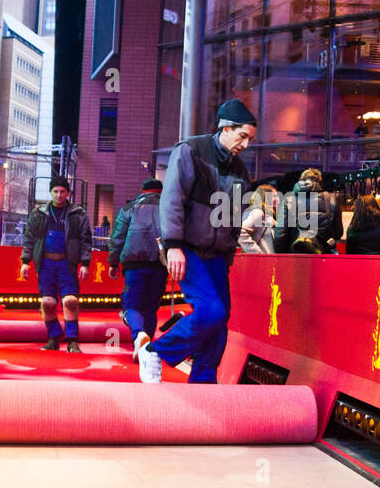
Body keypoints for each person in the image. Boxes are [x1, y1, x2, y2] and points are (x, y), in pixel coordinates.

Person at [135, 99, 256, 383]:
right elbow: (172, 198)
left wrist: (227, 254)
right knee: (211, 311)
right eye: (242, 137)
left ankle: (204, 381)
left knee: (220, 321)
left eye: (250, 139)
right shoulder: (190, 150)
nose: (246, 145)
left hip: (217, 255)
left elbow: (234, 216)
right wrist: (173, 245)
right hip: (186, 249)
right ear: (226, 128)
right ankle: (155, 350)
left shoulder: (240, 171)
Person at [20, 176, 93, 352]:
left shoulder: (78, 214)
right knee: (47, 303)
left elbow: (85, 240)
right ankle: (53, 338)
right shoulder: (38, 213)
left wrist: (84, 263)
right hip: (45, 264)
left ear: (68, 193)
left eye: (62, 191)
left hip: (67, 264)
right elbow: (29, 238)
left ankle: (72, 340)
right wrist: (25, 262)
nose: (59, 195)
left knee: (70, 301)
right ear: (51, 192)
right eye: (56, 191)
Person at [108, 179, 166, 356]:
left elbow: (118, 237)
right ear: (160, 192)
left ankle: (138, 335)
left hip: (134, 265)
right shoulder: (169, 209)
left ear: (143, 191)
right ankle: (146, 350)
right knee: (151, 307)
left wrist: (113, 262)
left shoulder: (129, 208)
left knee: (131, 305)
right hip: (161, 264)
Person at [275, 168, 342, 254]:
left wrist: (281, 257)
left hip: (296, 255)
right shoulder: (332, 199)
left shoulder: (289, 200)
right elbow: (338, 232)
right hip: (322, 255)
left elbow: (280, 235)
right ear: (320, 181)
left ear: (300, 181)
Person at [238, 184, 279, 254]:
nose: (278, 199)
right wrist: (257, 253)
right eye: (275, 196)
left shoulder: (265, 215)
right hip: (261, 262)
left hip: (265, 262)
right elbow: (240, 232)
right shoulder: (258, 213)